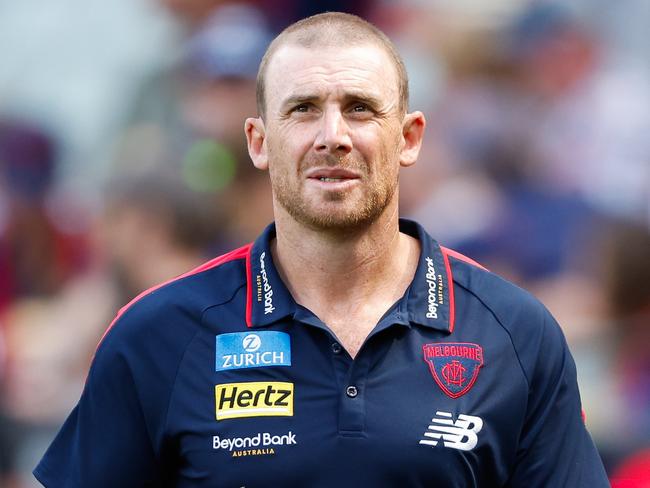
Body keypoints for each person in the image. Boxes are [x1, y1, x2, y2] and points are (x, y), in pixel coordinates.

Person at [34, 12, 609, 487]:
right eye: (302, 108)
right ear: (259, 141)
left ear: (409, 138)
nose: (331, 135)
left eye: (359, 107)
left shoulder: (513, 332)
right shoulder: (158, 333)